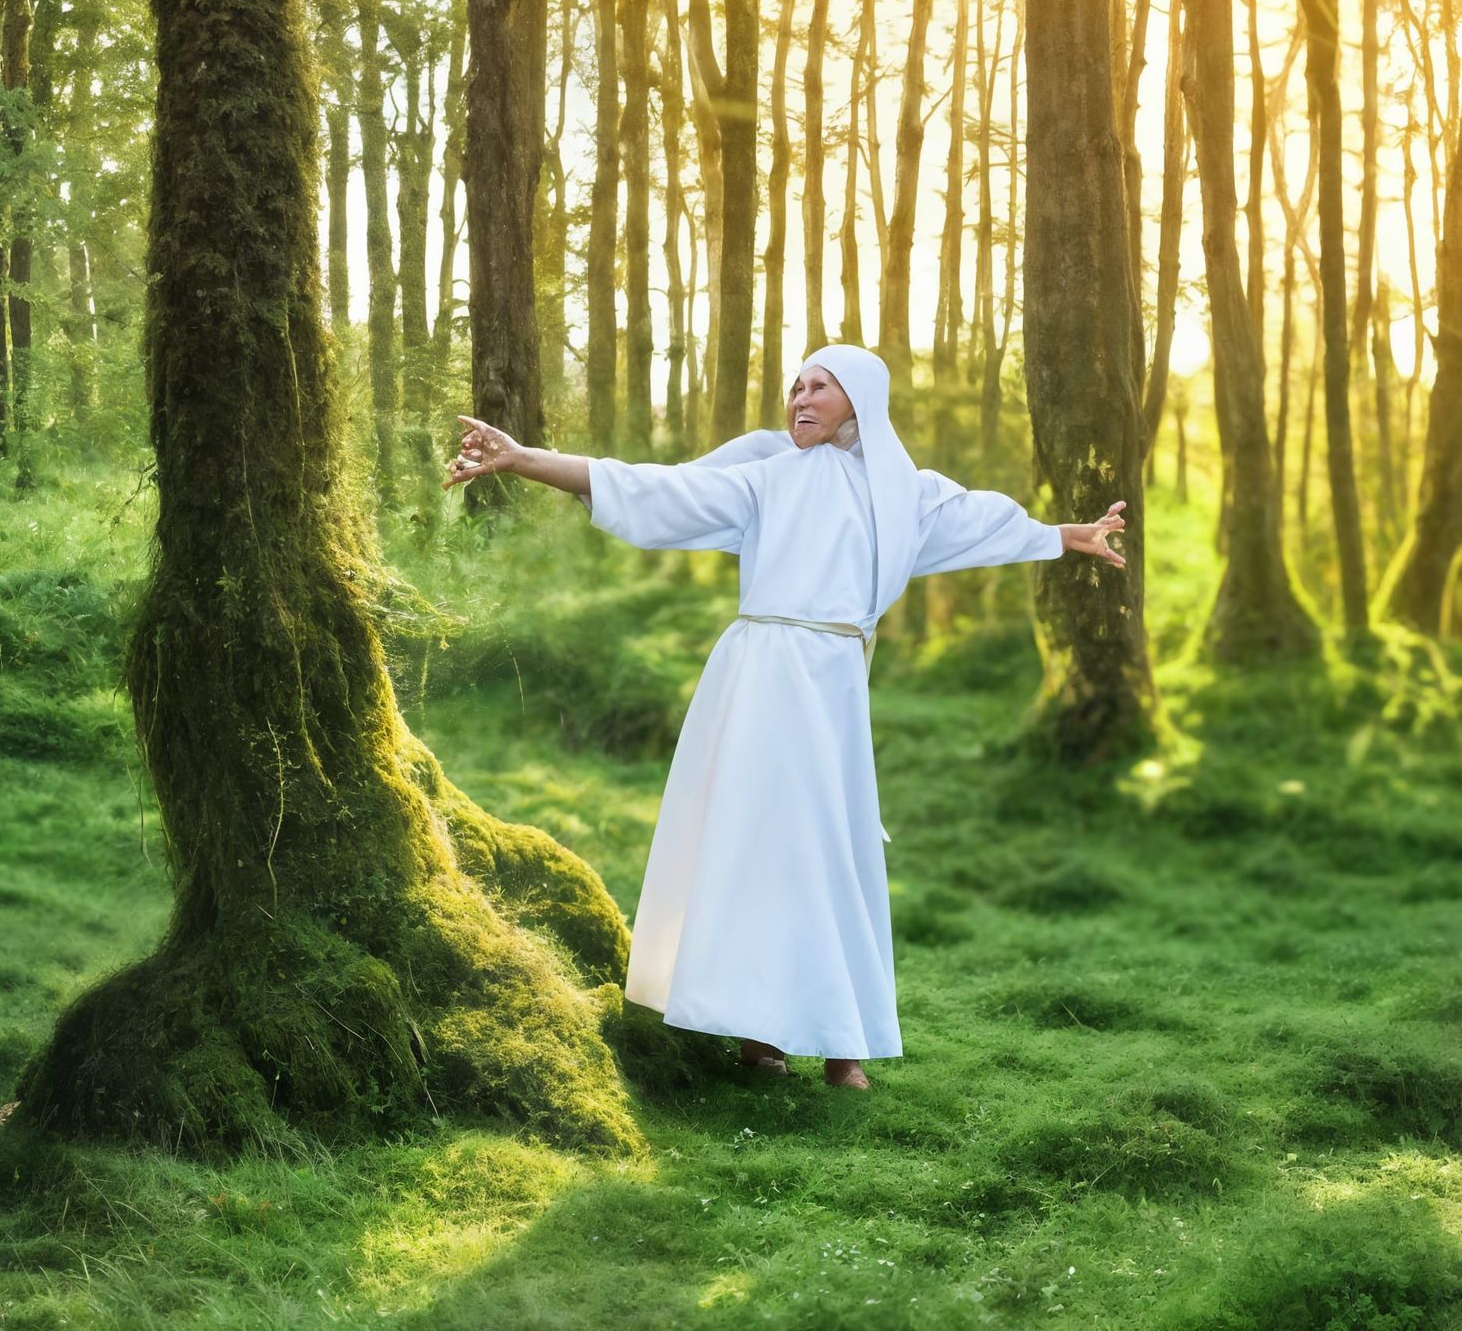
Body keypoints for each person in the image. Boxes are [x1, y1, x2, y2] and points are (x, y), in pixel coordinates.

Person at [444, 345, 1125, 1090]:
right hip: (763, 676)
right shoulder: (768, 476)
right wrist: (523, 459)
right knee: (761, 841)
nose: (799, 399)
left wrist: (1067, 536)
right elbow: (652, 491)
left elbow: (979, 524)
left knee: (832, 846)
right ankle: (760, 1035)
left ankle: (840, 1042)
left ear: (859, 399)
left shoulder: (906, 493)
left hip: (833, 688)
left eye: (818, 387)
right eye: (795, 387)